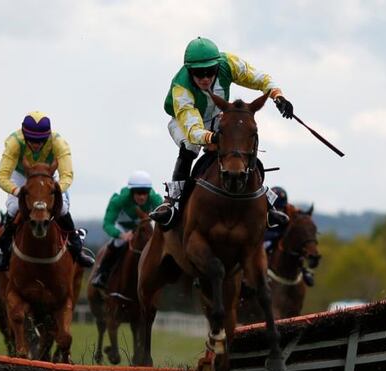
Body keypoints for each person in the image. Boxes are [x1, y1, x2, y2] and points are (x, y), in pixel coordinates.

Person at [149, 37, 293, 229]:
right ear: (189, 71)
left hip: (216, 114)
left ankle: (267, 203)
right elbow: (193, 131)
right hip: (184, 120)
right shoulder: (181, 88)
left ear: (218, 66)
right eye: (199, 74)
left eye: (210, 72)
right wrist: (213, 138)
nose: (206, 78)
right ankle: (172, 202)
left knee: (240, 136)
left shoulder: (228, 63)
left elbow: (260, 78)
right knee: (190, 147)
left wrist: (278, 96)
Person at [0, 111, 95, 271]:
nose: (36, 144)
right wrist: (17, 191)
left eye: (41, 140)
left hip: (47, 177)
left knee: (62, 208)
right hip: (21, 175)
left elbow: (67, 175)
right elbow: (1, 176)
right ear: (24, 135)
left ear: (47, 137)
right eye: (32, 140)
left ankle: (76, 247)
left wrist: (51, 192)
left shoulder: (59, 143)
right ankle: (4, 252)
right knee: (13, 208)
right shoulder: (14, 142)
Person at [92, 170, 163, 288]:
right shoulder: (118, 200)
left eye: (145, 192)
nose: (141, 196)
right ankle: (102, 274)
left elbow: (163, 216)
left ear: (149, 192)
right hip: (124, 229)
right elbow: (107, 223)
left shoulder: (155, 199)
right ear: (131, 191)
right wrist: (121, 235)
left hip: (145, 228)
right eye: (138, 192)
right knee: (118, 243)